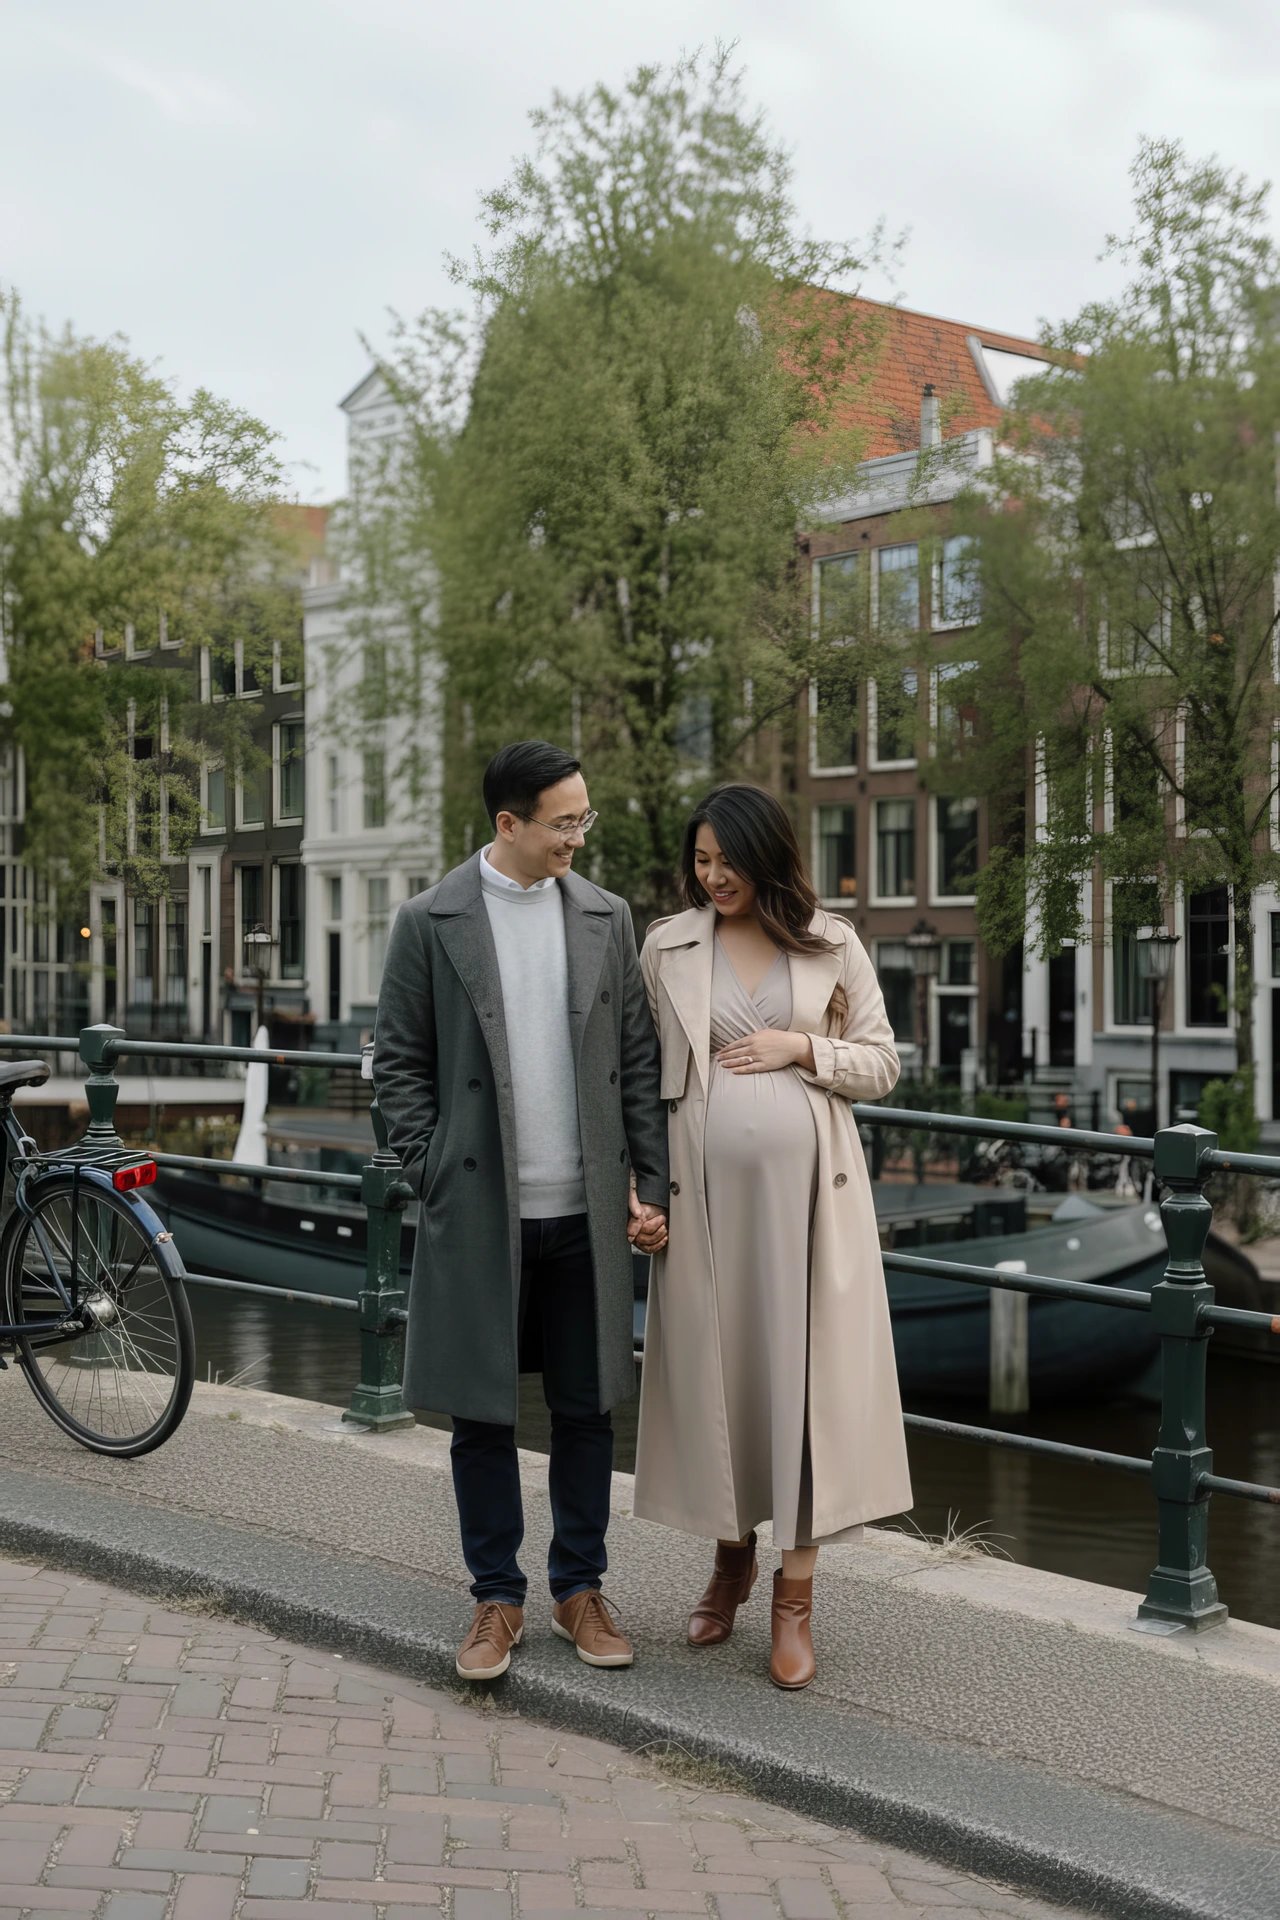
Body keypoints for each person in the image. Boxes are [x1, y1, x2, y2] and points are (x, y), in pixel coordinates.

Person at [373, 741, 669, 1683]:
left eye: (584, 817)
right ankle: (495, 1600)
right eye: (565, 821)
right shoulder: (431, 921)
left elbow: (637, 1062)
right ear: (510, 825)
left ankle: (579, 1590)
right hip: (482, 1208)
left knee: (587, 1411)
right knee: (483, 1415)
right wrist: (434, 1174)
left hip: (584, 1214)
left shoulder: (606, 918)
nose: (581, 835)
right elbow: (398, 1065)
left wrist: (650, 1185)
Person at [633, 783, 911, 1690]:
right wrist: (643, 1191)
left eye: (728, 860)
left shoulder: (831, 943)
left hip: (809, 1215)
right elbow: (639, 1080)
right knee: (725, 1382)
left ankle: (795, 1598)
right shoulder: (667, 946)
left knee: (801, 1393)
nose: (713, 876)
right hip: (705, 1209)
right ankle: (728, 1560)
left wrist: (803, 1052)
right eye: (701, 860)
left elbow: (883, 1063)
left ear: (768, 855)